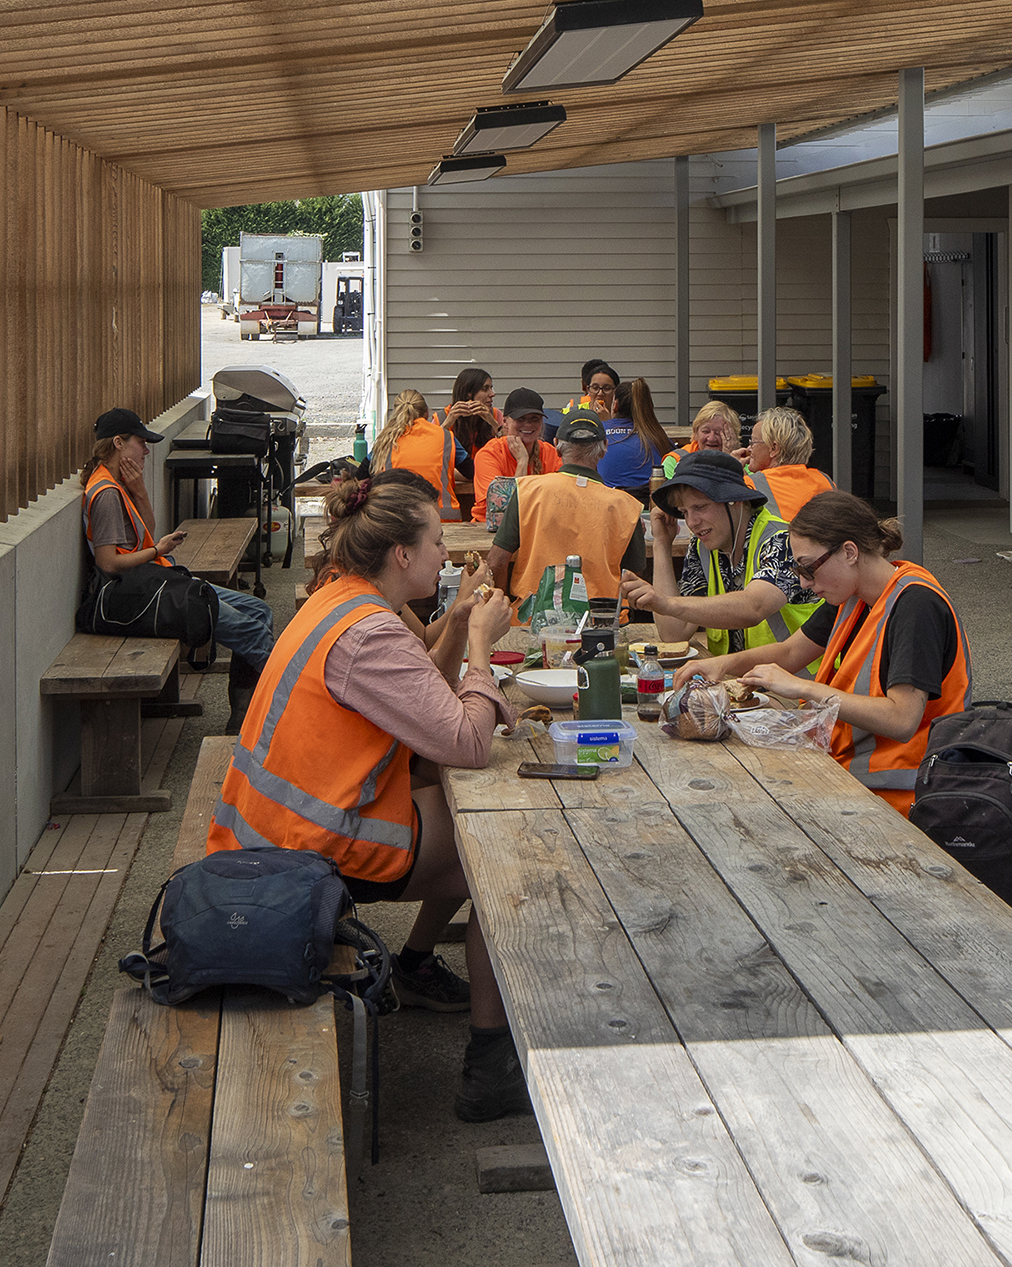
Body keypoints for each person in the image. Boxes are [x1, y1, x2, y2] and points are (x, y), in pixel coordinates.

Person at [210, 475, 533, 1121]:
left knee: (457, 802)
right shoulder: (370, 634)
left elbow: (420, 699)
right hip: (307, 853)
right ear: (402, 554)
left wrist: (458, 621)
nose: (445, 554)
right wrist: (480, 651)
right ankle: (490, 1064)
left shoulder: (341, 600)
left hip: (269, 827)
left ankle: (415, 965)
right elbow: (467, 742)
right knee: (504, 842)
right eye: (436, 542)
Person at [669, 491, 969, 812]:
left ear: (849, 552)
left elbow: (901, 719)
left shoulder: (916, 606)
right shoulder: (853, 596)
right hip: (849, 774)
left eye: (808, 568)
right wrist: (722, 664)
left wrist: (802, 688)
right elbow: (789, 653)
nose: (804, 583)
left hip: (903, 798)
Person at [82, 407, 277, 725]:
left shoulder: (119, 483)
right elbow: (108, 563)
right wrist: (157, 550)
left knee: (259, 611)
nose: (146, 450)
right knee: (253, 632)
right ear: (118, 443)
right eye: (140, 442)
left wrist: (140, 492)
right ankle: (275, 716)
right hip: (134, 597)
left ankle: (242, 717)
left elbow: (144, 533)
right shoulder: (105, 494)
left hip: (151, 581)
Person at [619, 447, 810, 657]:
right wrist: (662, 544)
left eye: (700, 507)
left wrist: (665, 603)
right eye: (684, 512)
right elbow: (673, 633)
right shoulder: (702, 546)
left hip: (795, 678)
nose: (691, 522)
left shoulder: (782, 541)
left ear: (735, 499)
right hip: (736, 676)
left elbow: (754, 607)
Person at [482, 413, 642, 604]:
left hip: (532, 617)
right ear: (604, 448)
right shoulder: (628, 506)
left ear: (557, 445)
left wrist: (501, 606)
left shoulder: (527, 491)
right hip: (603, 618)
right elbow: (635, 578)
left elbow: (496, 561)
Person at [375, 387, 469, 520]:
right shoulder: (445, 436)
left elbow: (362, 473)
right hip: (443, 519)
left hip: (399, 519)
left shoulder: (387, 439)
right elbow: (471, 472)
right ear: (427, 413)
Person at [469, 387, 557, 521]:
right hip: (489, 528)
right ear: (505, 422)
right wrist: (522, 462)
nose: (528, 424)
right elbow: (502, 510)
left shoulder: (551, 453)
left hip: (536, 525)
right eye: (520, 419)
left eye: (534, 419)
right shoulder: (489, 454)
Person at [743, 405, 832, 519]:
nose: (749, 449)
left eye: (753, 442)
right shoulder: (825, 480)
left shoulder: (750, 485)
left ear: (774, 448)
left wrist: (731, 472)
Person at [599, 377, 671, 492]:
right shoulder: (658, 437)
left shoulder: (599, 433)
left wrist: (606, 424)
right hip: (651, 499)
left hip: (611, 499)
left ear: (615, 405)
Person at [658, 398, 742, 486]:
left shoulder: (743, 462)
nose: (711, 438)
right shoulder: (674, 461)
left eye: (718, 433)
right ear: (696, 433)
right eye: (706, 431)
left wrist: (730, 463)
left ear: (733, 435)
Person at [443, 368, 499, 464]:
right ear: (468, 393)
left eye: (491, 388)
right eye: (485, 389)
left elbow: (509, 448)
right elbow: (430, 451)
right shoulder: (443, 416)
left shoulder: (495, 415)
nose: (492, 394)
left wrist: (494, 424)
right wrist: (446, 425)